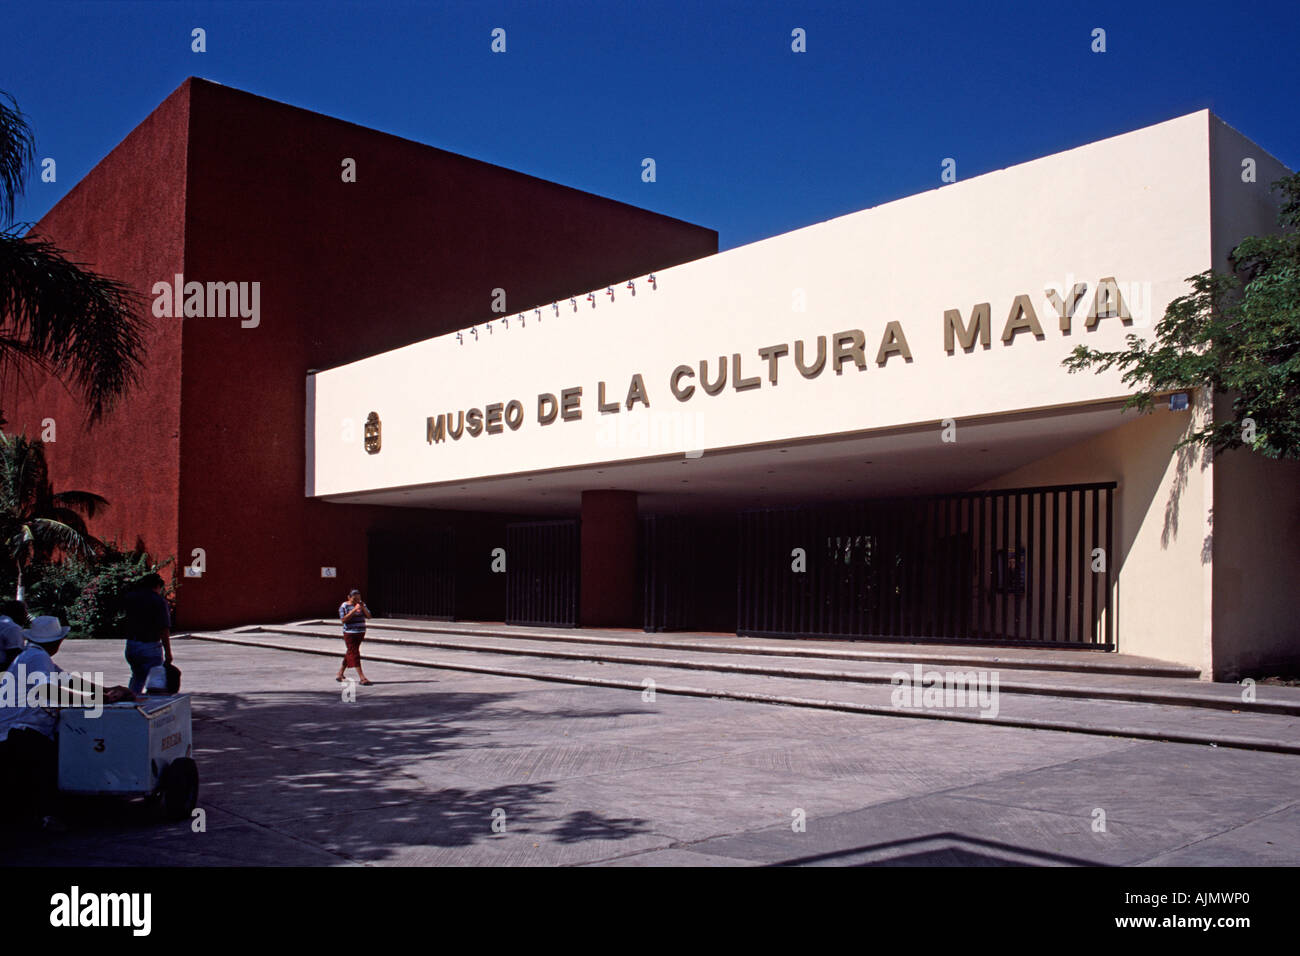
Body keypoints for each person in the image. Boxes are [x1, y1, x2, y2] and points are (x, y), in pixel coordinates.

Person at [0, 616, 135, 827]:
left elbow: (68, 680)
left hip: (17, 728)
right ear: (58, 642)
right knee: (53, 762)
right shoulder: (37, 657)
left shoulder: (34, 655)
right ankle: (44, 816)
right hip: (17, 731)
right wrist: (99, 698)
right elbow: (46, 691)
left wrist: (106, 691)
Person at [120, 572, 174, 695]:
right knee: (155, 681)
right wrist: (168, 653)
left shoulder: (130, 598)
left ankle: (131, 700)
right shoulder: (158, 601)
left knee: (137, 677)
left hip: (132, 645)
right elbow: (164, 629)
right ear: (157, 586)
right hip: (150, 645)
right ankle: (154, 706)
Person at [336, 589, 372, 685]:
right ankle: (362, 677)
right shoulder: (344, 606)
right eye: (354, 598)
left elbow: (369, 616)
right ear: (349, 597)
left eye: (358, 598)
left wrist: (363, 607)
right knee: (355, 653)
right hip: (349, 632)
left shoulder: (361, 605)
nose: (356, 600)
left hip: (360, 632)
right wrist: (354, 610)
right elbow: (343, 619)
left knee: (351, 651)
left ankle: (340, 673)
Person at [0, 600, 28, 670]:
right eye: (25, 612)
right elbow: (14, 658)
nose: (27, 615)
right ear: (17, 613)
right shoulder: (13, 628)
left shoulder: (2, 622)